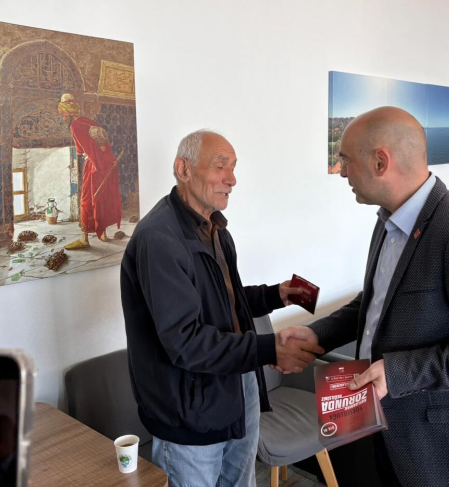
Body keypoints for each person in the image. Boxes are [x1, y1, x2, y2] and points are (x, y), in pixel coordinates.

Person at [279, 107, 449, 487]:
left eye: (345, 160)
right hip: (386, 428)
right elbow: (377, 301)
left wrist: (399, 373)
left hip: (446, 446)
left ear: (381, 162)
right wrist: (319, 334)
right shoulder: (387, 221)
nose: (341, 171)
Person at [120, 129, 324, 486]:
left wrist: (275, 295)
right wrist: (269, 348)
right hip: (189, 407)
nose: (232, 179)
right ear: (183, 169)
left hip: (236, 383)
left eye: (233, 167)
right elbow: (185, 340)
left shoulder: (215, 229)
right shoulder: (159, 239)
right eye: (220, 166)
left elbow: (220, 300)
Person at [57, 93, 122, 249]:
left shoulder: (75, 126)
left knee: (86, 200)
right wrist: (107, 163)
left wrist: (98, 166)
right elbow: (104, 144)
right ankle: (103, 234)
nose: (63, 116)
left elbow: (84, 150)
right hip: (106, 163)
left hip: (93, 165)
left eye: (63, 113)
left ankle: (84, 239)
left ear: (68, 112)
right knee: (101, 198)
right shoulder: (89, 121)